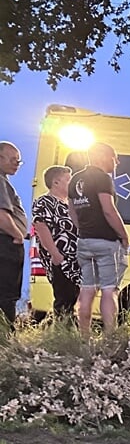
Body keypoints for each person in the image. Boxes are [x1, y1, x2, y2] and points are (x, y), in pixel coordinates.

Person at [68, 142, 130, 336]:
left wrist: (85, 229)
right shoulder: (102, 178)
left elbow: (72, 212)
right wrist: (123, 235)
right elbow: (109, 210)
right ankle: (110, 336)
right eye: (114, 157)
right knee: (109, 290)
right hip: (106, 243)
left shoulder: (74, 180)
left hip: (84, 242)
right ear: (102, 157)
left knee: (87, 290)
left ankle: (84, 337)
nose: (117, 162)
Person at [31, 166, 81, 322]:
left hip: (74, 259)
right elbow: (41, 227)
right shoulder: (44, 202)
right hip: (59, 258)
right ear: (56, 182)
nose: (72, 183)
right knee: (63, 299)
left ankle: (70, 331)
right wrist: (55, 254)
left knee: (72, 298)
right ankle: (62, 333)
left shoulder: (69, 204)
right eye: (68, 179)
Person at [0, 141, 27, 328]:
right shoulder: (0, 181)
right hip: (6, 244)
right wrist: (17, 235)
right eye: (13, 159)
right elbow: (2, 215)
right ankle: (6, 339)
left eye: (19, 161)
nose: (16, 163)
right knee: (7, 295)